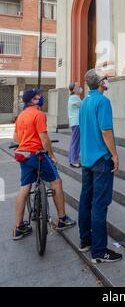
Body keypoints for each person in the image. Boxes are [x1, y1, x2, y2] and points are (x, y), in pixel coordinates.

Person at [12, 88, 76, 240]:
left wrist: (26, 142)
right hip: (36, 154)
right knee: (56, 182)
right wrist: (52, 155)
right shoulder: (39, 114)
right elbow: (44, 138)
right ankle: (62, 219)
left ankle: (19, 227)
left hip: (23, 154)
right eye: (39, 96)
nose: (41, 98)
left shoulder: (21, 115)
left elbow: (16, 137)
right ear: (33, 100)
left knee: (25, 187)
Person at [78, 69, 122, 264]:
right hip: (101, 159)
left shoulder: (85, 102)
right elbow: (106, 131)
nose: (108, 80)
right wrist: (114, 155)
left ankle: (85, 240)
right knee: (100, 205)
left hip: (87, 158)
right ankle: (99, 251)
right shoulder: (103, 102)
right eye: (106, 78)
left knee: (86, 200)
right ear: (101, 83)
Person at [68, 82, 82, 168]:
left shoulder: (74, 97)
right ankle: (74, 160)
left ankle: (72, 159)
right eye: (77, 86)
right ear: (73, 89)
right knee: (76, 142)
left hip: (75, 122)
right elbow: (83, 106)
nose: (80, 87)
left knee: (74, 141)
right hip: (77, 122)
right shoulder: (74, 97)